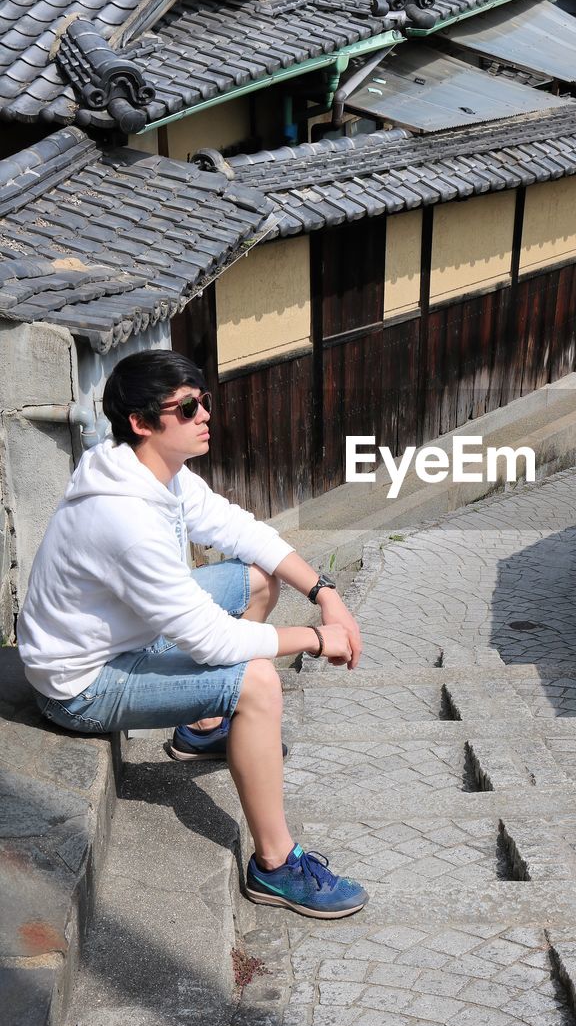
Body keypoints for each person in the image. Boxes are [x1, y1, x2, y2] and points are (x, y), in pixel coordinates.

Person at [17, 350, 367, 919]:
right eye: (187, 407)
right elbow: (212, 643)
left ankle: (203, 726)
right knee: (256, 683)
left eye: (203, 401)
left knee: (257, 581)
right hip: (81, 684)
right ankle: (275, 867)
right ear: (141, 422)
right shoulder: (123, 516)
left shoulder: (151, 471)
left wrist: (325, 591)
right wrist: (312, 637)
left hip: (128, 636)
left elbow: (237, 527)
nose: (205, 414)